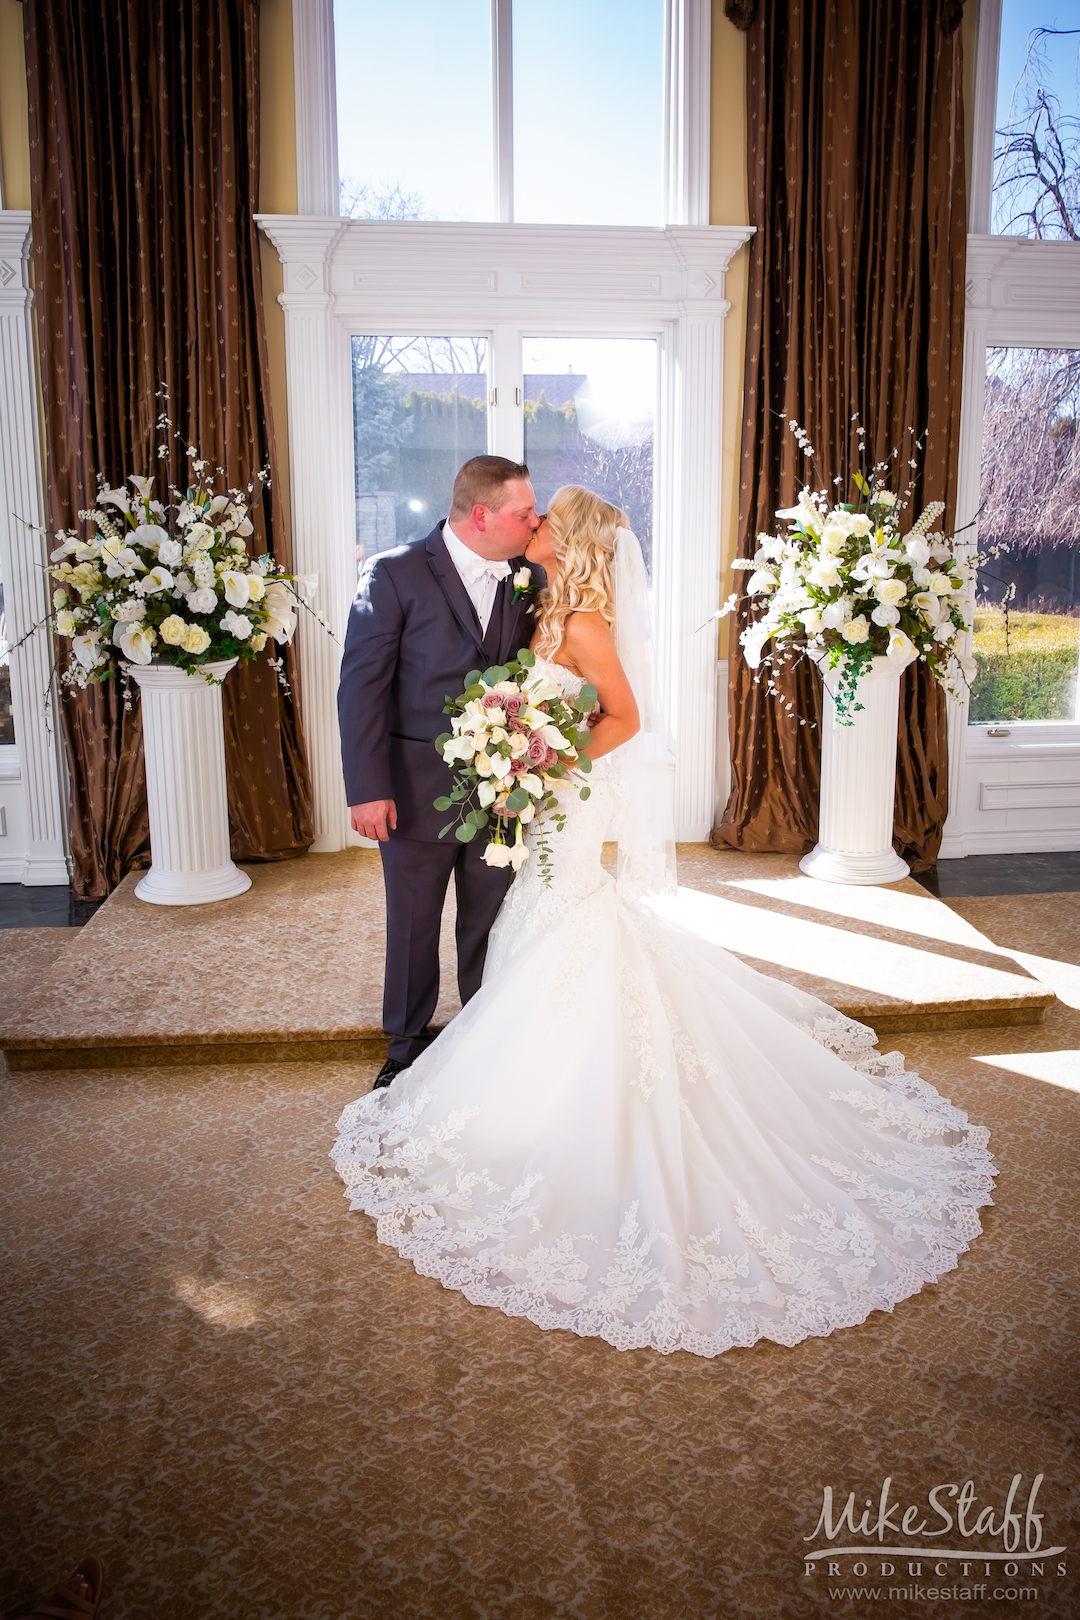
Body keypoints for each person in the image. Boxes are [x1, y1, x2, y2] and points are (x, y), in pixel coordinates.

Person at [331, 486, 996, 1358]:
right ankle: (434, 1047)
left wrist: (541, 755)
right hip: (501, 792)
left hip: (557, 794)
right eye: (523, 513)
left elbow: (625, 718)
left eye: (543, 518)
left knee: (546, 923)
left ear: (562, 539)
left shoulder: (585, 623)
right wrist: (503, 752)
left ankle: (520, 1067)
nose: (531, 527)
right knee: (508, 925)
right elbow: (380, 682)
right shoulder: (529, 598)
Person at [338, 456, 545, 1090]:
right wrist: (367, 788)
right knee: (413, 922)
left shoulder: (530, 579)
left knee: (490, 918)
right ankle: (404, 1045)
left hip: (503, 787)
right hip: (409, 789)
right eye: (523, 513)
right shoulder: (393, 573)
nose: (535, 523)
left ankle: (484, 1036)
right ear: (481, 516)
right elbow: (360, 688)